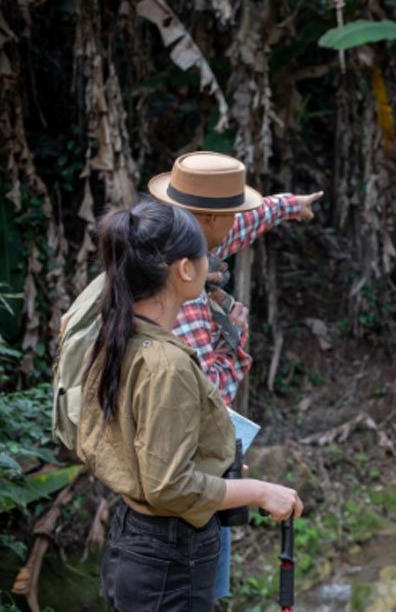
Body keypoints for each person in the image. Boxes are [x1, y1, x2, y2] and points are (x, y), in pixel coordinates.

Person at [76, 201, 303, 612]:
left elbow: (144, 451)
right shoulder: (168, 364)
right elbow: (170, 486)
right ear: (184, 270)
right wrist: (259, 491)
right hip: (169, 556)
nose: (211, 263)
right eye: (203, 256)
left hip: (137, 539)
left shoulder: (121, 334)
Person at [147, 151, 322, 601]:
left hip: (169, 490)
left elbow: (249, 221)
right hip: (185, 494)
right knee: (200, 595)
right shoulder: (181, 300)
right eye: (229, 215)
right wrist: (233, 344)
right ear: (208, 219)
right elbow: (208, 395)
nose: (236, 225)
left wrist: (288, 204)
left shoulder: (168, 244)